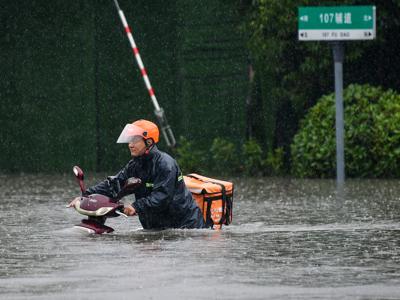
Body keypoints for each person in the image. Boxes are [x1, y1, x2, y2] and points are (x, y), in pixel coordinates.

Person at [68, 119, 205, 229]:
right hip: (157, 227)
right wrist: (85, 196)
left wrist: (135, 206)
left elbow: (162, 197)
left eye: (135, 140)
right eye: (129, 140)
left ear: (149, 142)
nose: (130, 144)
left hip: (185, 227)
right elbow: (115, 184)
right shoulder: (135, 164)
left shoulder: (165, 164)